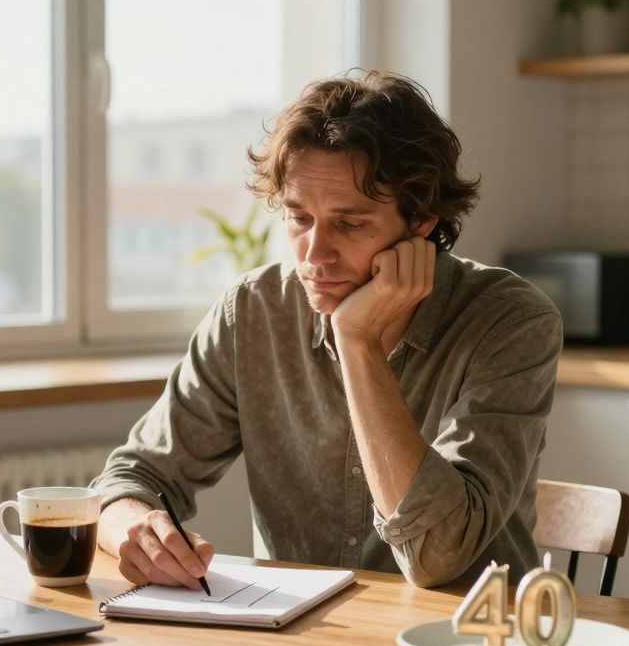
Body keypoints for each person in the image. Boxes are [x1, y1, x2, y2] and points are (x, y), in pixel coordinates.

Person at [88, 70, 562, 590]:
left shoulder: (511, 323)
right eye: (298, 218)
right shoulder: (252, 313)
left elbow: (436, 556)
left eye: (351, 224)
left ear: (422, 220)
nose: (314, 255)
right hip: (304, 643)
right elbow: (132, 478)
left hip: (467, 643)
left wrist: (356, 340)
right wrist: (133, 527)